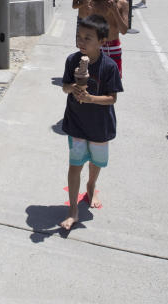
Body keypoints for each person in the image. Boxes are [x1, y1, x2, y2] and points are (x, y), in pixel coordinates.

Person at [59, 13, 123, 230]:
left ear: (101, 42)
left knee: (96, 161)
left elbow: (112, 98)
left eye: (88, 38)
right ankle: (73, 211)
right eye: (79, 36)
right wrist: (72, 88)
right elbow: (65, 86)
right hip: (76, 122)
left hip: (100, 126)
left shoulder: (109, 67)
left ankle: (91, 184)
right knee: (74, 164)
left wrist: (90, 98)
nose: (81, 41)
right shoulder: (72, 60)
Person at [86, 0, 129, 75]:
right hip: (97, 48)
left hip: (114, 47)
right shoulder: (93, 5)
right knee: (96, 81)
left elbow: (123, 30)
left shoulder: (122, 4)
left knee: (114, 82)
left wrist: (115, 11)